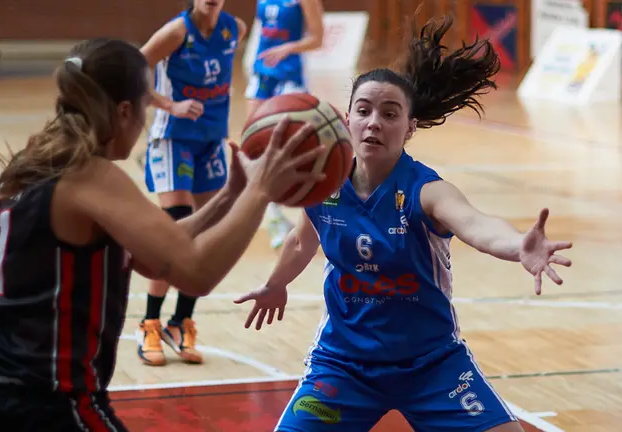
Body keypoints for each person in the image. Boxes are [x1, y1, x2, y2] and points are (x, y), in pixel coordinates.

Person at [0, 38, 326, 431]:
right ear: (123, 112)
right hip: (33, 402)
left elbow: (158, 251)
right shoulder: (91, 176)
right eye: (145, 106)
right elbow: (197, 273)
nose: (144, 121)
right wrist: (261, 191)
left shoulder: (41, 159)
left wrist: (229, 198)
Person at [234, 15, 574, 432]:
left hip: (433, 366)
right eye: (364, 110)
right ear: (347, 119)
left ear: (410, 128)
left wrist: (517, 245)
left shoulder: (425, 190)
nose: (374, 121)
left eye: (389, 114)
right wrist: (276, 282)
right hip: (343, 367)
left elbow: (476, 225)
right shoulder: (324, 184)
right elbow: (304, 241)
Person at [137, 0, 248, 367]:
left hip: (211, 140)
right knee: (177, 228)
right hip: (174, 139)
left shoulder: (236, 28)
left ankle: (179, 322)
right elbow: (135, 66)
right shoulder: (176, 32)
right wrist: (169, 105)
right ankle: (149, 322)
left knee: (206, 235)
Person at [246, 0, 325, 249]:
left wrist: (289, 48)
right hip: (261, 73)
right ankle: (275, 217)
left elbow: (318, 38)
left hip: (290, 75)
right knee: (253, 144)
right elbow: (260, 30)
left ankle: (314, 217)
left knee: (291, 147)